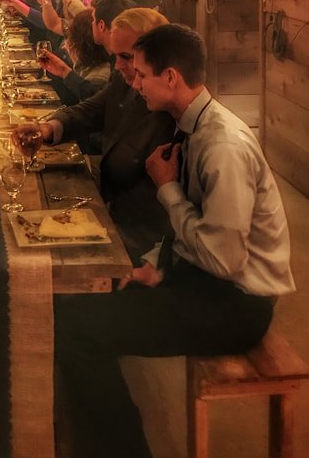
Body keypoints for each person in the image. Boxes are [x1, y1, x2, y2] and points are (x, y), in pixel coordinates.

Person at [54, 23, 295, 458]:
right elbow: (194, 232)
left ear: (171, 78)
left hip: (235, 303)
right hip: (201, 279)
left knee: (79, 332)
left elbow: (224, 258)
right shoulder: (190, 124)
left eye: (142, 74)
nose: (134, 82)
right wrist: (155, 264)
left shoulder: (222, 146)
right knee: (73, 303)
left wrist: (166, 188)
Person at [15, 7, 175, 260]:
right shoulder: (125, 79)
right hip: (108, 205)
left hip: (137, 239)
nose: (117, 65)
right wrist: (47, 128)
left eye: (125, 56)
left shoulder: (171, 108)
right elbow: (92, 110)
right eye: (115, 56)